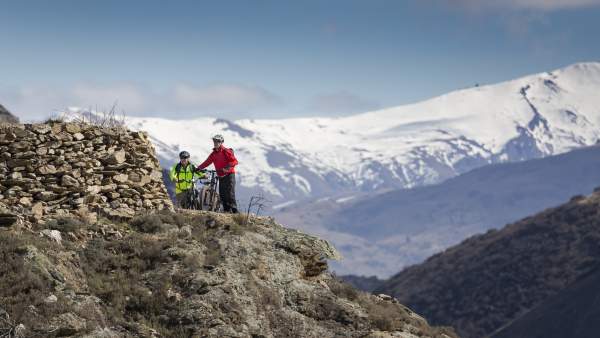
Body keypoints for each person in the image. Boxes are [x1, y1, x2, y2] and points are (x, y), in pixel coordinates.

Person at [197, 134, 239, 213]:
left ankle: (235, 211)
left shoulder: (226, 151)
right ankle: (226, 211)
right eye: (215, 141)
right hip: (221, 176)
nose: (216, 143)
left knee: (230, 194)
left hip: (229, 175)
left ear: (221, 142)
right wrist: (198, 168)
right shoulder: (213, 154)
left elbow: (235, 161)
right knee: (222, 194)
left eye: (218, 141)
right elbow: (207, 162)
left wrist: (226, 168)